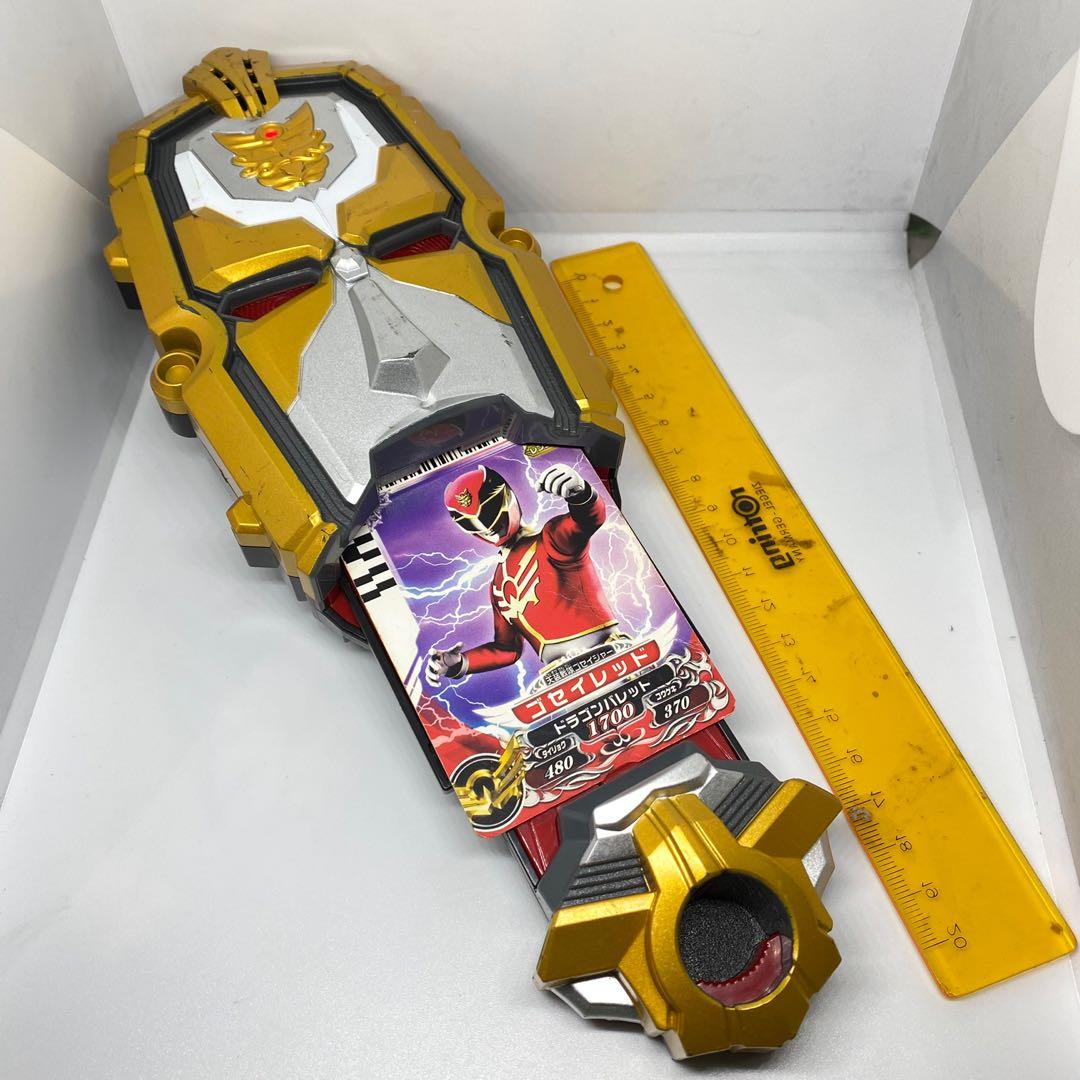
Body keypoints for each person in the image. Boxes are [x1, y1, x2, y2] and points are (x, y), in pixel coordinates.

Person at [426, 461, 620, 684]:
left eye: (488, 511)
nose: (486, 526)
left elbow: (588, 519)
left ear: (506, 497)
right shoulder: (498, 585)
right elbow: (507, 648)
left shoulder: (551, 539)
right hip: (562, 675)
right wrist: (459, 663)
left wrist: (581, 494)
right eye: (471, 522)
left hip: (608, 652)